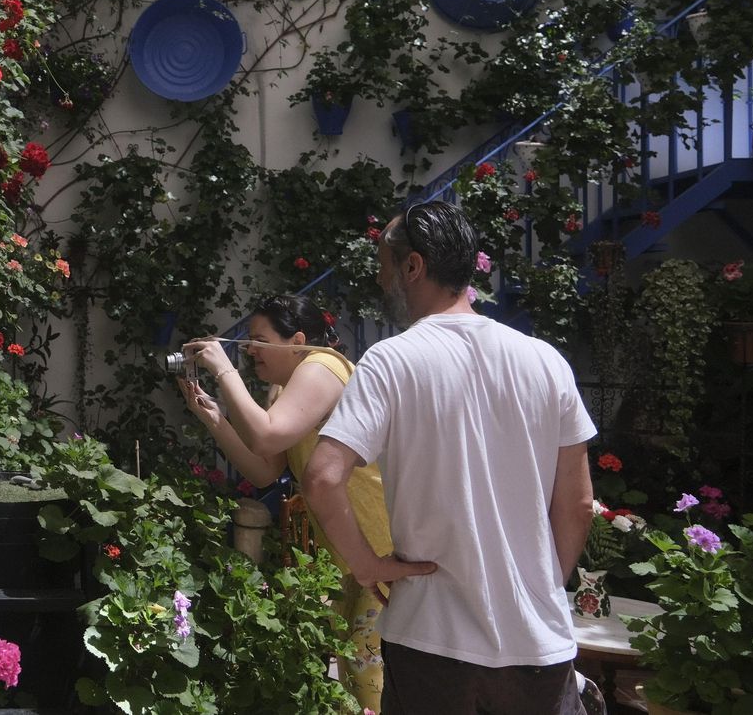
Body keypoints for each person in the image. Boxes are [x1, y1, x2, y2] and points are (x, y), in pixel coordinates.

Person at [302, 200, 597, 715]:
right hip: (537, 644)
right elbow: (577, 505)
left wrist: (367, 566)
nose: (379, 278)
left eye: (383, 264)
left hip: (430, 642)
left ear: (413, 266)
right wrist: (544, 585)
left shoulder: (391, 361)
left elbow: (323, 478)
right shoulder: (546, 362)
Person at [178, 294, 393, 712]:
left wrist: (223, 368)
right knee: (354, 683)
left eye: (259, 339)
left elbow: (267, 435)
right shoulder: (286, 386)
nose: (251, 349)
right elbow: (265, 469)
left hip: (380, 547)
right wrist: (211, 414)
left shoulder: (322, 365)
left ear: (297, 341)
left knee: (369, 681)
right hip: (352, 554)